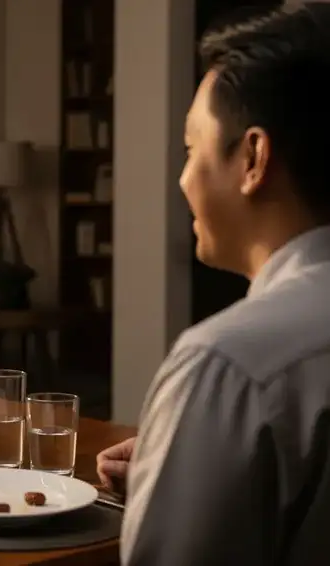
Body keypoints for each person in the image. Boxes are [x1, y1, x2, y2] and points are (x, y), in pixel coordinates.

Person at [96, 4, 330, 564]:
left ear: (253, 157)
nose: (181, 179)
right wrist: (182, 474)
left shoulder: (227, 365)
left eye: (190, 149)